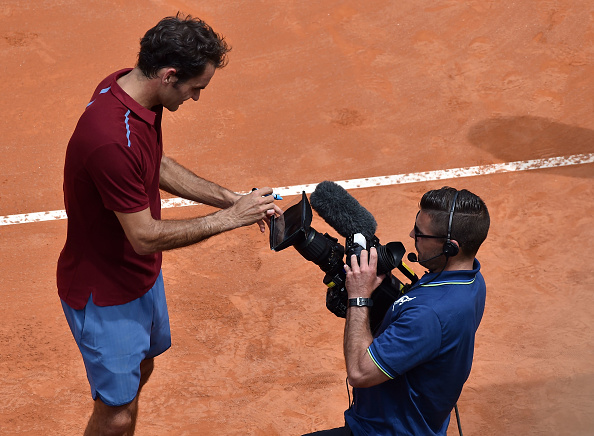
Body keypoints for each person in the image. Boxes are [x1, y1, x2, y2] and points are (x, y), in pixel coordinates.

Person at [57, 14, 281, 436]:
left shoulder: (131, 93)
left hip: (140, 280)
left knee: (142, 369)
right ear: (168, 75)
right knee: (117, 413)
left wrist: (229, 197)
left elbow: (154, 163)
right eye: (196, 88)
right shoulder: (110, 139)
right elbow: (143, 237)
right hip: (105, 296)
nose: (197, 98)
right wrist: (230, 219)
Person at [305, 187, 490, 436]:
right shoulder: (470, 281)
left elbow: (359, 373)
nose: (412, 234)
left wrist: (359, 297)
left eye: (421, 234)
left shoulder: (429, 313)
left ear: (450, 247)